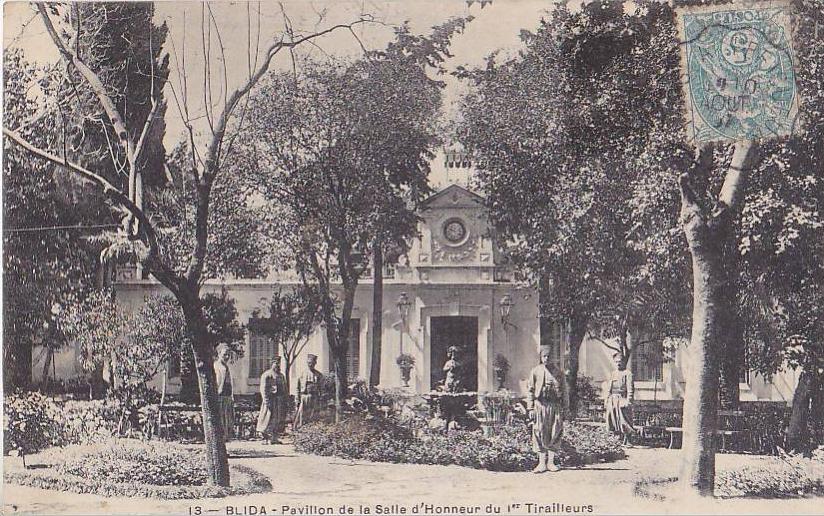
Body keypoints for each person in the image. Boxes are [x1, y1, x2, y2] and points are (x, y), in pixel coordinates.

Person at [526, 346, 564, 473]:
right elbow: (530, 390)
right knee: (539, 431)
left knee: (555, 431)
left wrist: (566, 408)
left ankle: (551, 463)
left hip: (554, 406)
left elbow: (565, 391)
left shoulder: (558, 372)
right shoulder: (535, 371)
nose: (546, 359)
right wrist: (530, 408)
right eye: (544, 356)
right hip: (540, 405)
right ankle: (541, 463)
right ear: (541, 358)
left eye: (549, 356)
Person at [604, 352, 635, 443]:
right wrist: (606, 399)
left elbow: (630, 389)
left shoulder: (627, 374)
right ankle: (615, 440)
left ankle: (629, 440)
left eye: (620, 361)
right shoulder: (613, 373)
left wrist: (628, 401)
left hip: (622, 399)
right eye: (616, 362)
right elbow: (609, 388)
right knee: (612, 419)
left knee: (624, 420)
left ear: (624, 362)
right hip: (612, 399)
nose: (618, 363)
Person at [257, 356, 288, 444]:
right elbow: (263, 389)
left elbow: (285, 389)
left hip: (279, 401)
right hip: (270, 400)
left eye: (279, 364)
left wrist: (285, 399)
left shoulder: (281, 376)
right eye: (276, 363)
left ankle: (274, 438)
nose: (278, 365)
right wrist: (266, 401)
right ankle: (266, 438)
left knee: (277, 420)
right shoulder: (267, 375)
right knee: (267, 419)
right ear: (272, 364)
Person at [293, 353, 323, 430]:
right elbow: (297, 387)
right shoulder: (302, 373)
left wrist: (320, 396)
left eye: (312, 363)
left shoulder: (318, 374)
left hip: (314, 397)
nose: (311, 365)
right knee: (302, 414)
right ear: (307, 363)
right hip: (304, 396)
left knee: (313, 414)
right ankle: (300, 428)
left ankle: (311, 429)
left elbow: (321, 387)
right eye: (309, 363)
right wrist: (297, 399)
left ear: (315, 363)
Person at [213, 345, 235, 440]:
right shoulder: (216, 366)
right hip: (220, 396)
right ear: (219, 354)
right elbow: (216, 381)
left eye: (228, 355)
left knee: (228, 420)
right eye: (224, 354)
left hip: (227, 396)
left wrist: (232, 395)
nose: (227, 357)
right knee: (221, 420)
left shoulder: (226, 366)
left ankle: (225, 440)